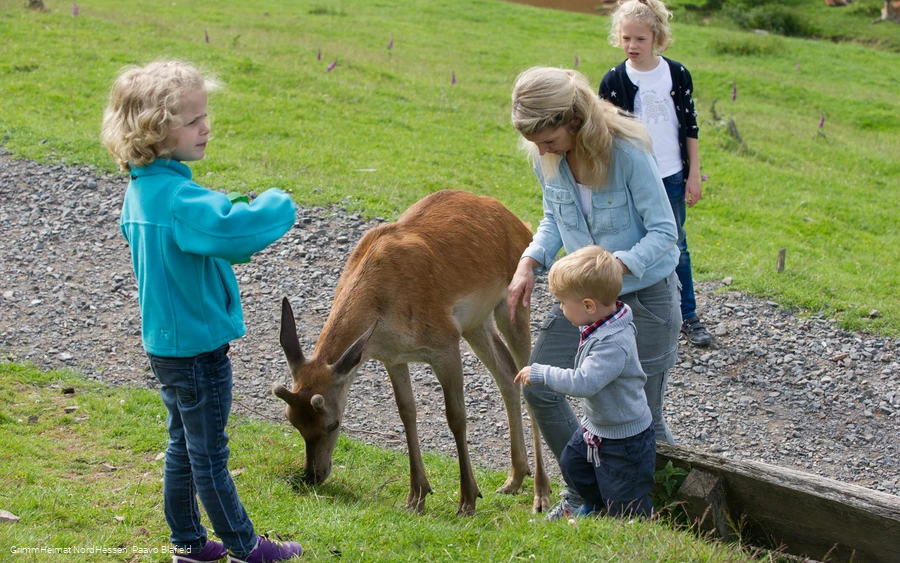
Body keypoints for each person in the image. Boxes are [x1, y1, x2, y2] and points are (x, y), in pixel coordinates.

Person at [101, 60, 303, 563]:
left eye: (205, 115)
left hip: (165, 347)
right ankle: (246, 547)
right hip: (199, 351)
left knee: (183, 448)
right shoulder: (180, 198)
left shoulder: (140, 191)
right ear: (156, 130)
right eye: (192, 120)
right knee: (210, 456)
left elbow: (206, 241)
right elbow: (236, 230)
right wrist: (279, 202)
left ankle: (188, 544)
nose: (205, 127)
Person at [507, 66, 680, 520]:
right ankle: (588, 493)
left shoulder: (627, 153)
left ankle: (663, 513)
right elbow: (553, 218)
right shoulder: (545, 155)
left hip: (646, 297)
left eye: (547, 139)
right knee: (539, 386)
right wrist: (530, 262)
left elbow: (666, 233)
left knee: (645, 419)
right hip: (586, 305)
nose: (541, 150)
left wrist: (610, 271)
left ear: (574, 119)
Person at [599, 0, 711, 346]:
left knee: (676, 245)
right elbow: (608, 136)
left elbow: (690, 127)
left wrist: (694, 174)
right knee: (633, 243)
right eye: (626, 37)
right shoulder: (614, 81)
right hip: (632, 181)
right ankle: (632, 311)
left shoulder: (676, 75)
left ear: (657, 37)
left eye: (640, 39)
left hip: (673, 176)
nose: (632, 46)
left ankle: (687, 315)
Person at [515, 245, 655, 518]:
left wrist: (542, 373)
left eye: (562, 303)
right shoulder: (599, 322)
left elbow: (584, 383)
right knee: (573, 463)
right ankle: (592, 506)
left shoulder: (613, 343)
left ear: (589, 305)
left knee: (626, 500)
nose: (559, 308)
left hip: (624, 439)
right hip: (597, 428)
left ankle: (638, 528)